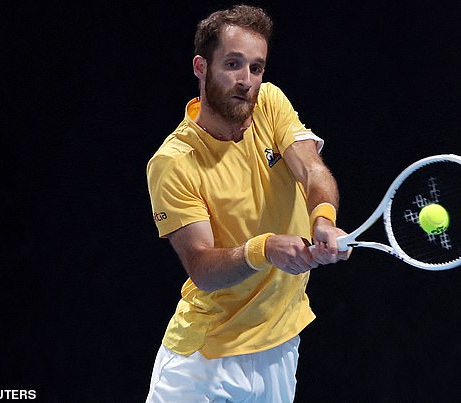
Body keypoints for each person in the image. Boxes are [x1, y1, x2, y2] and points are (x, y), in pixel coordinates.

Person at [145, 5, 350, 402]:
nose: (246, 81)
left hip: (280, 350)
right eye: (233, 64)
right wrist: (265, 249)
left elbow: (310, 168)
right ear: (201, 67)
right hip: (204, 364)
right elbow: (202, 267)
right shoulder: (173, 162)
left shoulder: (269, 104)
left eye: (256, 68)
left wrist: (323, 219)